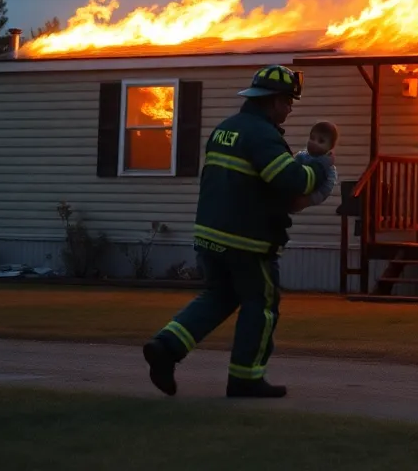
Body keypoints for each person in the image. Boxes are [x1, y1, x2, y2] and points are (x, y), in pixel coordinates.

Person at [142, 65, 337, 398]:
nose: (290, 108)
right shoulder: (262, 135)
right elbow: (291, 181)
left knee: (220, 297)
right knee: (261, 304)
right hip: (247, 241)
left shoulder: (226, 128)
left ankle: (166, 347)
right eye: (288, 101)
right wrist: (320, 167)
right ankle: (246, 378)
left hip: (210, 236)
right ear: (273, 100)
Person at [289, 120, 340, 213]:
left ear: (330, 147)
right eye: (312, 138)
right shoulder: (301, 156)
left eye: (321, 141)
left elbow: (325, 190)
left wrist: (309, 200)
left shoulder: (329, 167)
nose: (314, 143)